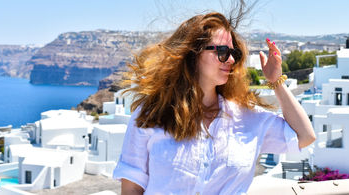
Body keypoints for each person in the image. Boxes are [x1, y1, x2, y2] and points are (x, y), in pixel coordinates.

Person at [113, 12, 316, 194]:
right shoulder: (151, 114)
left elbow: (305, 136)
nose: (230, 60)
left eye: (233, 54)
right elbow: (132, 188)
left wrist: (276, 82)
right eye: (222, 52)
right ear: (193, 54)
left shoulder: (248, 118)